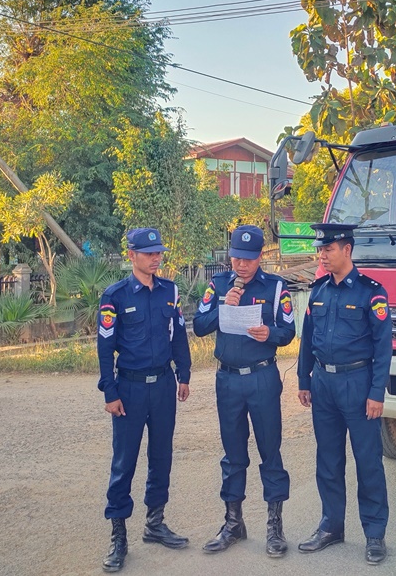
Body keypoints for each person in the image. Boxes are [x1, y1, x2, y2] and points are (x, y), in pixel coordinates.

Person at [193, 225, 296, 558]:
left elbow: (289, 331)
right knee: (233, 454)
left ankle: (275, 527)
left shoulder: (275, 286)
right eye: (236, 258)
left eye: (248, 259)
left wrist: (270, 334)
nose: (241, 265)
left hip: (262, 378)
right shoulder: (219, 284)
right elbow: (199, 326)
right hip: (228, 380)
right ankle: (233, 523)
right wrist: (224, 306)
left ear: (260, 256)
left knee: (270, 451)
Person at [96, 228, 192, 573]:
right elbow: (105, 347)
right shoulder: (115, 296)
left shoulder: (169, 291)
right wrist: (110, 392)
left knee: (161, 456)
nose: (156, 258)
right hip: (130, 389)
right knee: (124, 462)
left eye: (158, 252)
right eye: (149, 253)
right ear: (131, 255)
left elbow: (178, 335)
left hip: (163, 385)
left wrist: (184, 374)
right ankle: (118, 536)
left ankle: (155, 522)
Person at [297, 223, 393, 565]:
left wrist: (377, 393)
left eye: (328, 249)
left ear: (347, 250)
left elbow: (383, 347)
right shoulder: (319, 291)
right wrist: (304, 380)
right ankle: (331, 526)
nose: (322, 255)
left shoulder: (370, 293)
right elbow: (307, 339)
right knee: (328, 460)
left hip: (358, 383)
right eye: (320, 250)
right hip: (323, 384)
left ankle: (375, 533)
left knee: (368, 462)